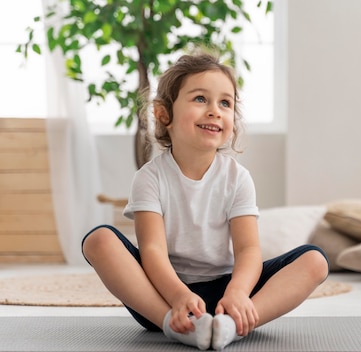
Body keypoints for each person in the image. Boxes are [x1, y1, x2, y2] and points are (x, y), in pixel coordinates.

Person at [81, 52, 329, 350]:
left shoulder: (238, 178)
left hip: (228, 292)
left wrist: (237, 293)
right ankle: (175, 326)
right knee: (99, 241)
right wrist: (177, 298)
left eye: (225, 103)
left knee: (314, 261)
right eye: (200, 99)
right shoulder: (150, 178)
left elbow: (249, 249)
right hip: (161, 295)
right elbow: (152, 250)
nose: (215, 111)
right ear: (163, 114)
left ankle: (232, 325)